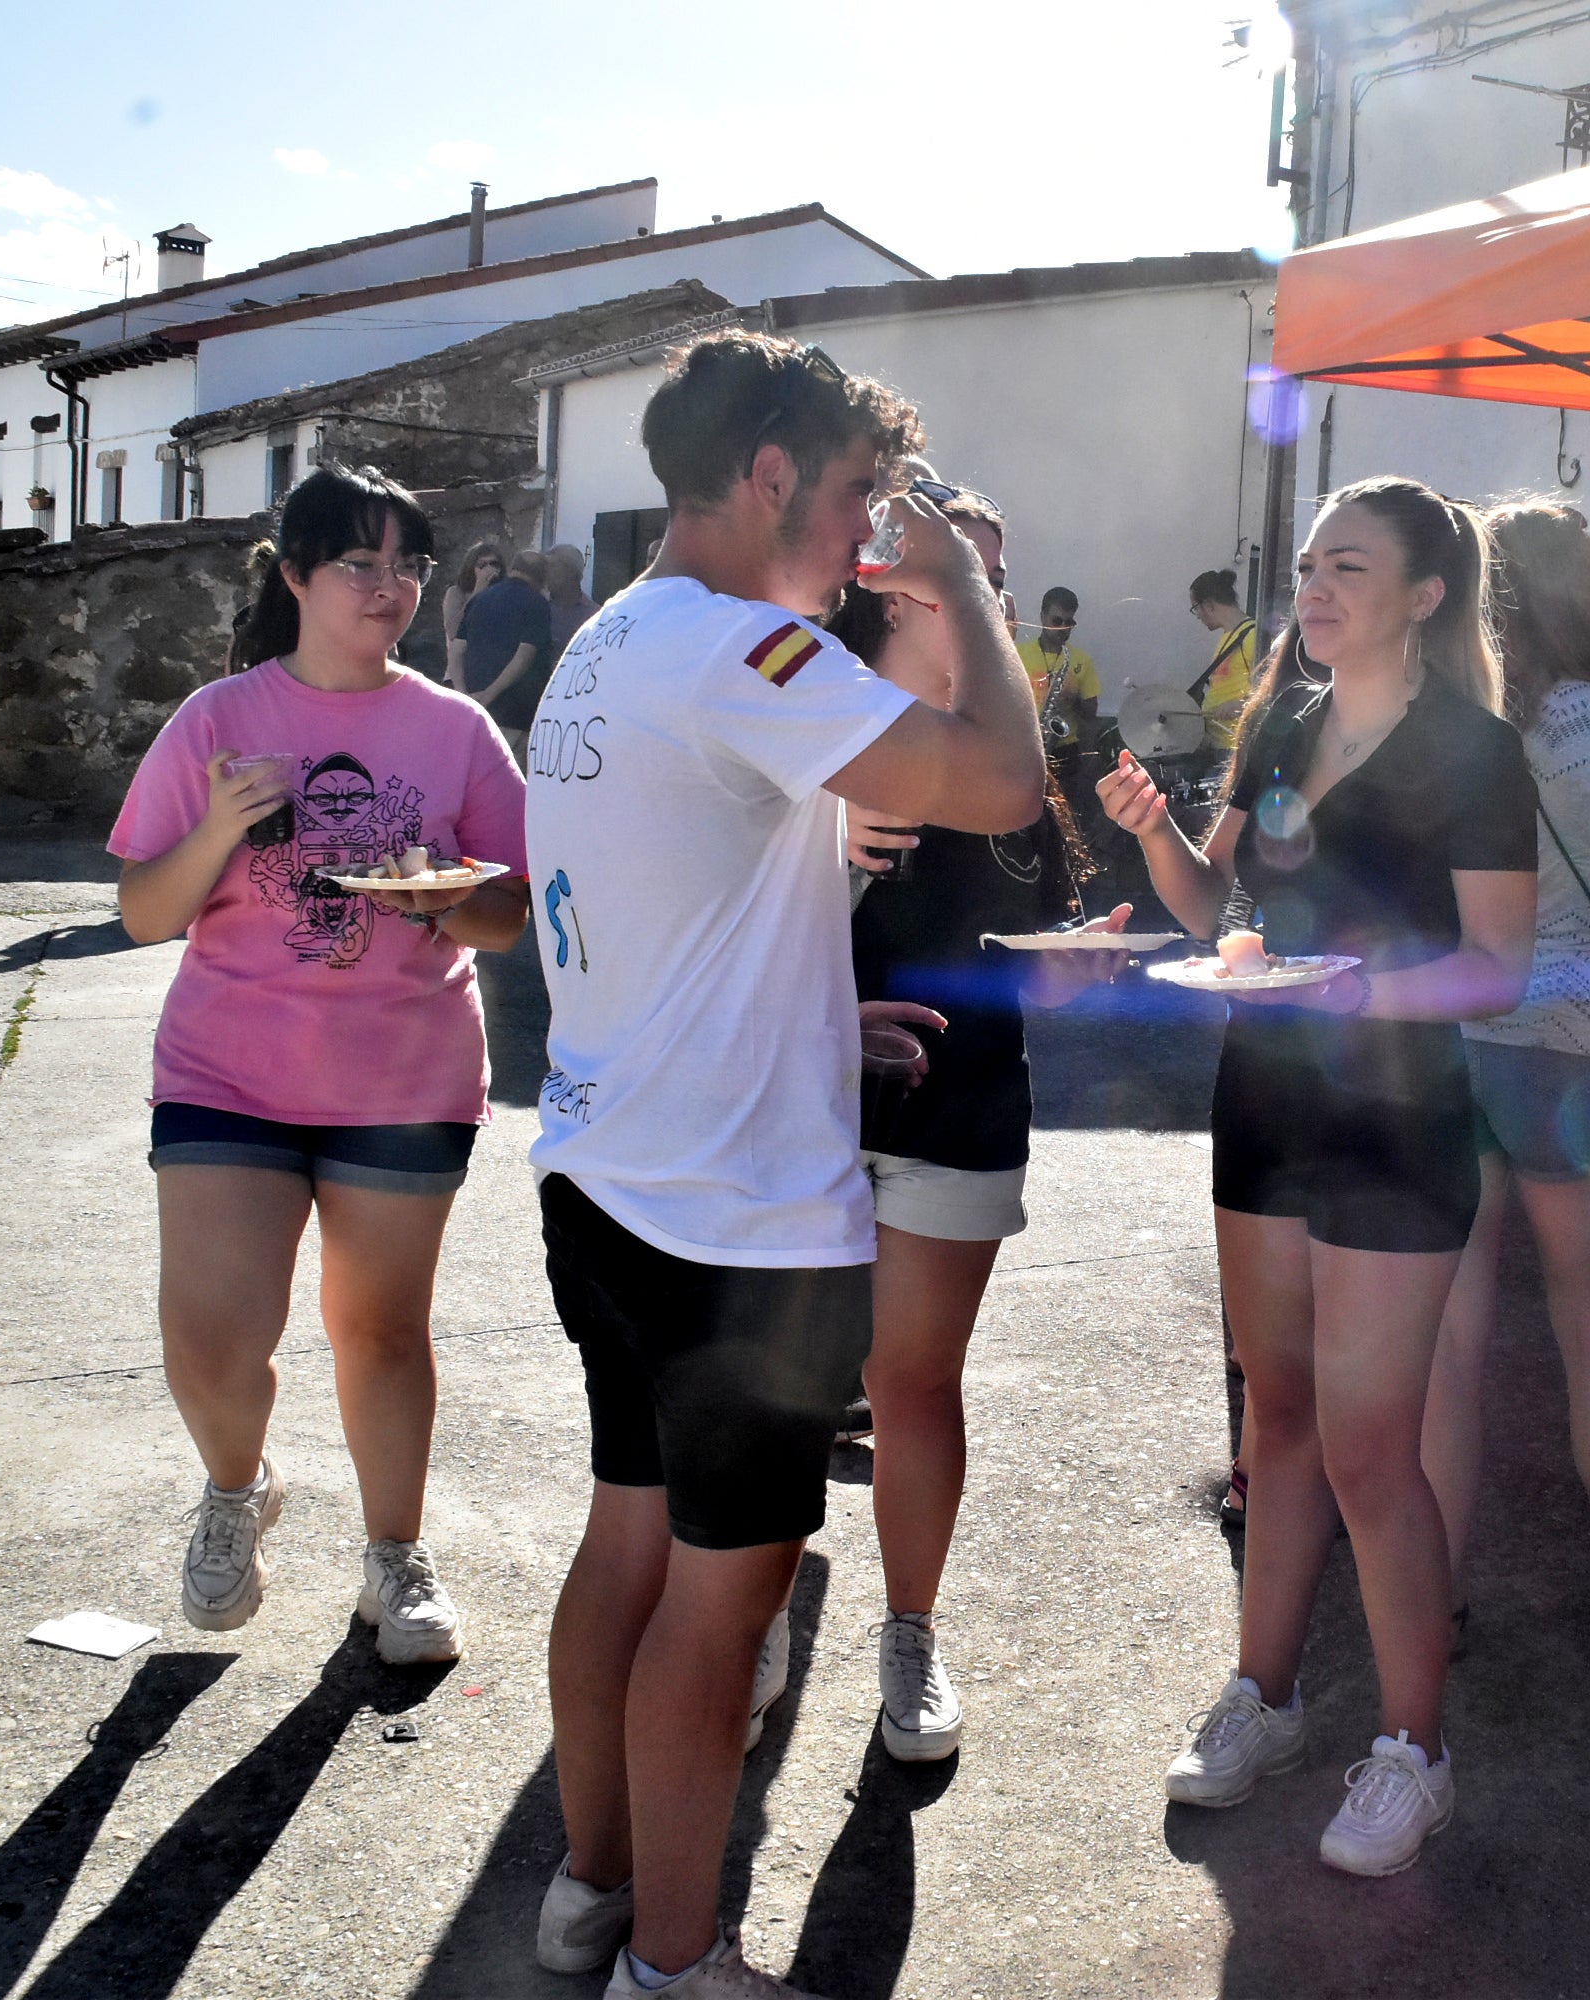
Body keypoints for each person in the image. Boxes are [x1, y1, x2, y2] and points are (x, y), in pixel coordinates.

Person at [522, 330, 1043, 1999]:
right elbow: (1005, 782)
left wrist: (825, 1018)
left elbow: (702, 893)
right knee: (718, 1609)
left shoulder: (615, 638)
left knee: (626, 1546)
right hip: (732, 1226)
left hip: (608, 1176)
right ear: (766, 478)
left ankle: (596, 1896)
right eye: (852, 501)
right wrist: (966, 589)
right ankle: (675, 1966)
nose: (864, 538)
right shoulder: (747, 648)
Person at [1096, 475, 1536, 1879]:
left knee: (1366, 1446)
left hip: (1401, 1122)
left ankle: (1415, 1751)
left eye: (1350, 567)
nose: (1318, 588)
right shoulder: (1282, 719)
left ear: (1424, 594)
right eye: (1308, 565)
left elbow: (1498, 966)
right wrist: (1152, 831)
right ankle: (1265, 1699)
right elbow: (1225, 914)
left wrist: (1356, 997)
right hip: (1267, 1102)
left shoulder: (1475, 751)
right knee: (1271, 1417)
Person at [106, 465, 530, 1671]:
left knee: (381, 1331)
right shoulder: (218, 717)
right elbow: (143, 911)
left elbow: (509, 915)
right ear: (293, 575)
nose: (389, 587)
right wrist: (223, 827)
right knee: (212, 1335)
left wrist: (452, 898)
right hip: (227, 1069)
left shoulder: (454, 728)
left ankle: (395, 1554)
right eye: (361, 562)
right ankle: (236, 1486)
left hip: (405, 1075)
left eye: (409, 564)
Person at [832, 560, 1135, 1768]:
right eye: (966, 569)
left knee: (912, 1385)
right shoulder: (816, 732)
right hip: (801, 1109)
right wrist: (829, 849)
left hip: (960, 1112)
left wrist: (1074, 968)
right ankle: (747, 1615)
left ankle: (909, 1630)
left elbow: (1026, 960)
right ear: (889, 589)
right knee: (778, 1378)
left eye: (1000, 573)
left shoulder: (1014, 770)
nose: (992, 595)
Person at [1416, 501, 1590, 1657]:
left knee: (1447, 1341)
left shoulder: (1437, 721)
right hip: (1576, 1053)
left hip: (1448, 1042)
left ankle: (1432, 1597)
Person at [461, 549, 556, 758]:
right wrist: (489, 694)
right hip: (515, 714)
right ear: (542, 577)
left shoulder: (479, 600)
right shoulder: (537, 603)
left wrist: (464, 696)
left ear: (512, 569)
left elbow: (457, 650)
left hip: (476, 714)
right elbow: (524, 656)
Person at [1016, 586, 1102, 753]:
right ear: (1042, 617)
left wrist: (1074, 699)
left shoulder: (1082, 661)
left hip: (1066, 748)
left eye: (1069, 623)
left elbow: (1091, 716)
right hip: (1024, 744)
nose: (1063, 627)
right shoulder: (1018, 654)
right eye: (1057, 621)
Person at [1190, 568, 1261, 751]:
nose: (1197, 615)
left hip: (1234, 746)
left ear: (1209, 605)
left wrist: (1240, 705)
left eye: (1196, 608)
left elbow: (1271, 690)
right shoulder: (1228, 636)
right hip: (1216, 742)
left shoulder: (1252, 636)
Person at [440, 540, 503, 685]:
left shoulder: (502, 596)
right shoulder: (456, 593)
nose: (488, 569)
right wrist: (479, 590)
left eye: (493, 564)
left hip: (492, 677)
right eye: (482, 565)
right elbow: (453, 631)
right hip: (458, 677)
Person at [545, 544, 597, 658]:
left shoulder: (595, 616)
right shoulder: (537, 607)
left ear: (571, 571)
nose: (546, 573)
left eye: (552, 567)